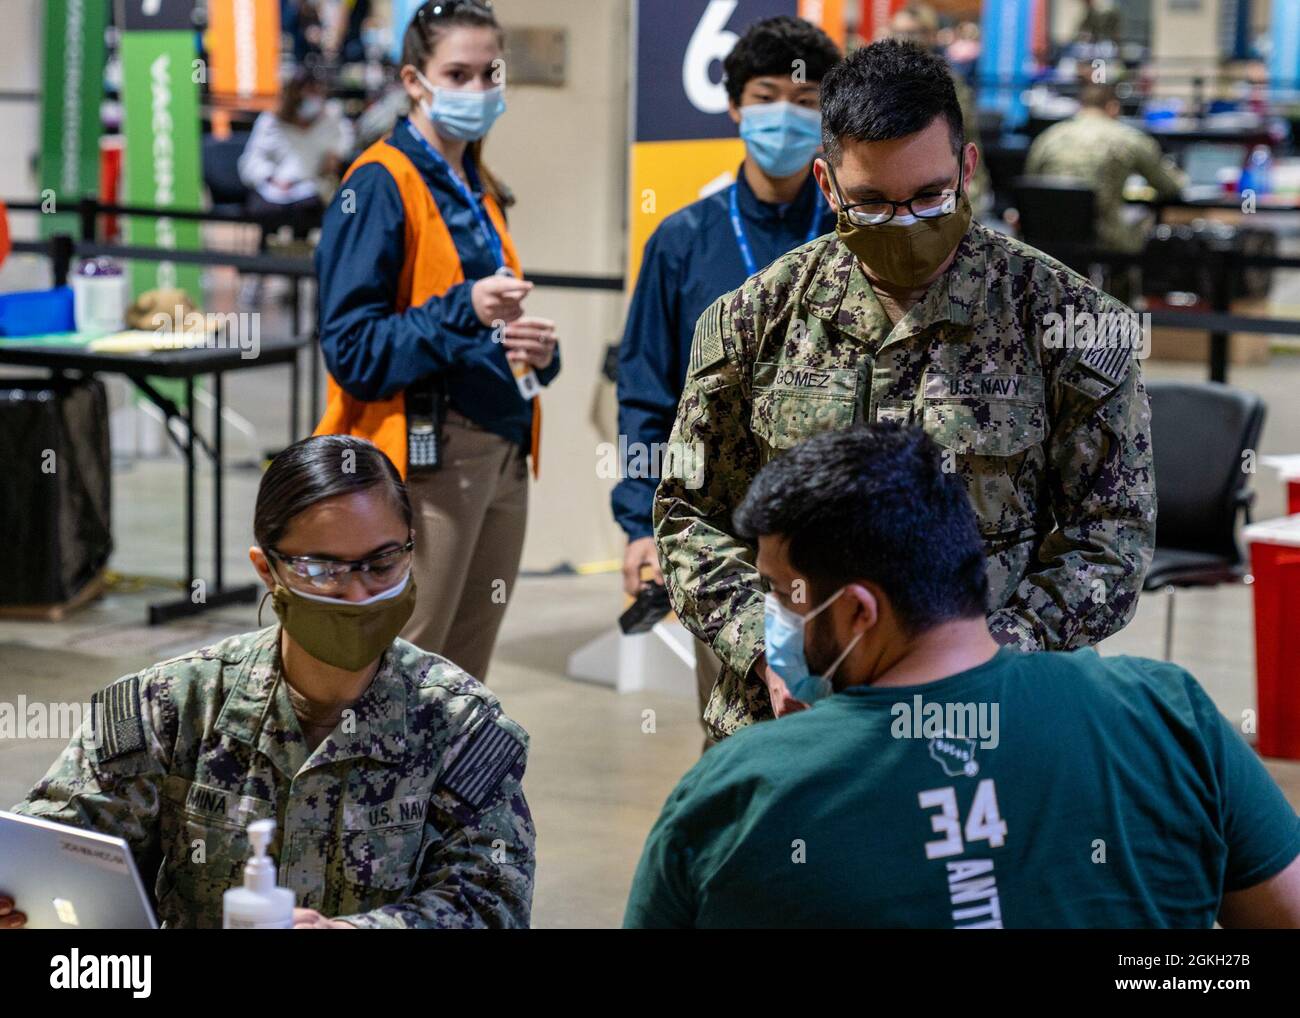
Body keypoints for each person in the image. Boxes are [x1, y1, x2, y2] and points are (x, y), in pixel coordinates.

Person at [654, 40, 1156, 741]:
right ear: (828, 186)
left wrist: (984, 656)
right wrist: (766, 645)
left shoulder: (1067, 323)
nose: (905, 222)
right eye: (872, 203)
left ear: (967, 168)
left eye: (929, 196)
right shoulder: (755, 319)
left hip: (990, 723)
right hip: (791, 723)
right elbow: (691, 517)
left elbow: (1112, 539)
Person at [626, 426, 1300, 929]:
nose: (771, 619)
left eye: (781, 593)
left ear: (858, 612)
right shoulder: (1166, 714)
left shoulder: (739, 795)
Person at [0, 434, 535, 929]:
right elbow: (51, 842)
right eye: (322, 569)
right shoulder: (173, 704)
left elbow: (493, 901)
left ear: (411, 550)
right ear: (267, 569)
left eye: (382, 563)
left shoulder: (460, 722)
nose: (356, 594)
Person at [314, 0, 560, 682]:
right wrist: (463, 309)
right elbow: (354, 352)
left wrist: (534, 350)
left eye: (491, 73)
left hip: (505, 446)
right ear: (415, 80)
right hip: (430, 456)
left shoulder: (476, 183)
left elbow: (483, 322)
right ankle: (374, 793)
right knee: (403, 669)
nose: (479, 90)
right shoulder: (380, 183)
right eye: (458, 73)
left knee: (461, 678)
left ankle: (445, 793)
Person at [613, 15, 840, 748]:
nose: (786, 116)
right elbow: (647, 389)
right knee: (739, 727)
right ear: (736, 108)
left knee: (846, 727)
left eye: (806, 102)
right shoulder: (682, 240)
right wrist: (636, 523)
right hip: (722, 523)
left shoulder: (852, 236)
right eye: (767, 96)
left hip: (842, 518)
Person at [1026, 81, 1183, 254]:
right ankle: (1127, 280)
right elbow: (1169, 186)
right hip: (1105, 240)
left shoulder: (1048, 137)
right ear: (1113, 107)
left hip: (1049, 239)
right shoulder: (1128, 138)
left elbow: (1031, 183)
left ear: (1081, 105)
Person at [886, 4, 990, 216]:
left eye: (913, 33)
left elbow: (966, 139)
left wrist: (970, 196)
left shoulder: (950, 83)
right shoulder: (882, 80)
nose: (904, 39)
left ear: (931, 35)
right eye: (898, 32)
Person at [238, 67, 355, 242]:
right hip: (274, 189)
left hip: (311, 189)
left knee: (310, 210)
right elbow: (250, 161)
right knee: (267, 212)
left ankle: (299, 259)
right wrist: (271, 177)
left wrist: (335, 157)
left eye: (314, 93)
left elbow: (346, 142)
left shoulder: (332, 119)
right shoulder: (270, 122)